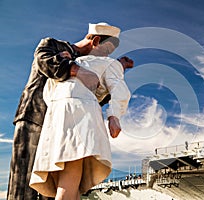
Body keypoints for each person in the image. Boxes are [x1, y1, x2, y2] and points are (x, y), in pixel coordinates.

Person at [7, 22, 114, 200]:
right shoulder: (52, 44)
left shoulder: (91, 65)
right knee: (24, 182)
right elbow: (44, 62)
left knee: (54, 184)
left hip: (62, 126)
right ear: (95, 41)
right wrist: (74, 69)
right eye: (105, 51)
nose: (104, 57)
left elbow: (89, 100)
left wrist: (110, 83)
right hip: (35, 118)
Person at [29, 22, 133, 199]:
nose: (108, 55)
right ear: (97, 41)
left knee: (66, 177)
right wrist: (114, 116)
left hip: (55, 114)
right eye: (107, 50)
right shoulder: (106, 63)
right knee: (72, 172)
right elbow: (119, 91)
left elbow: (48, 92)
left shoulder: (69, 61)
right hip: (81, 113)